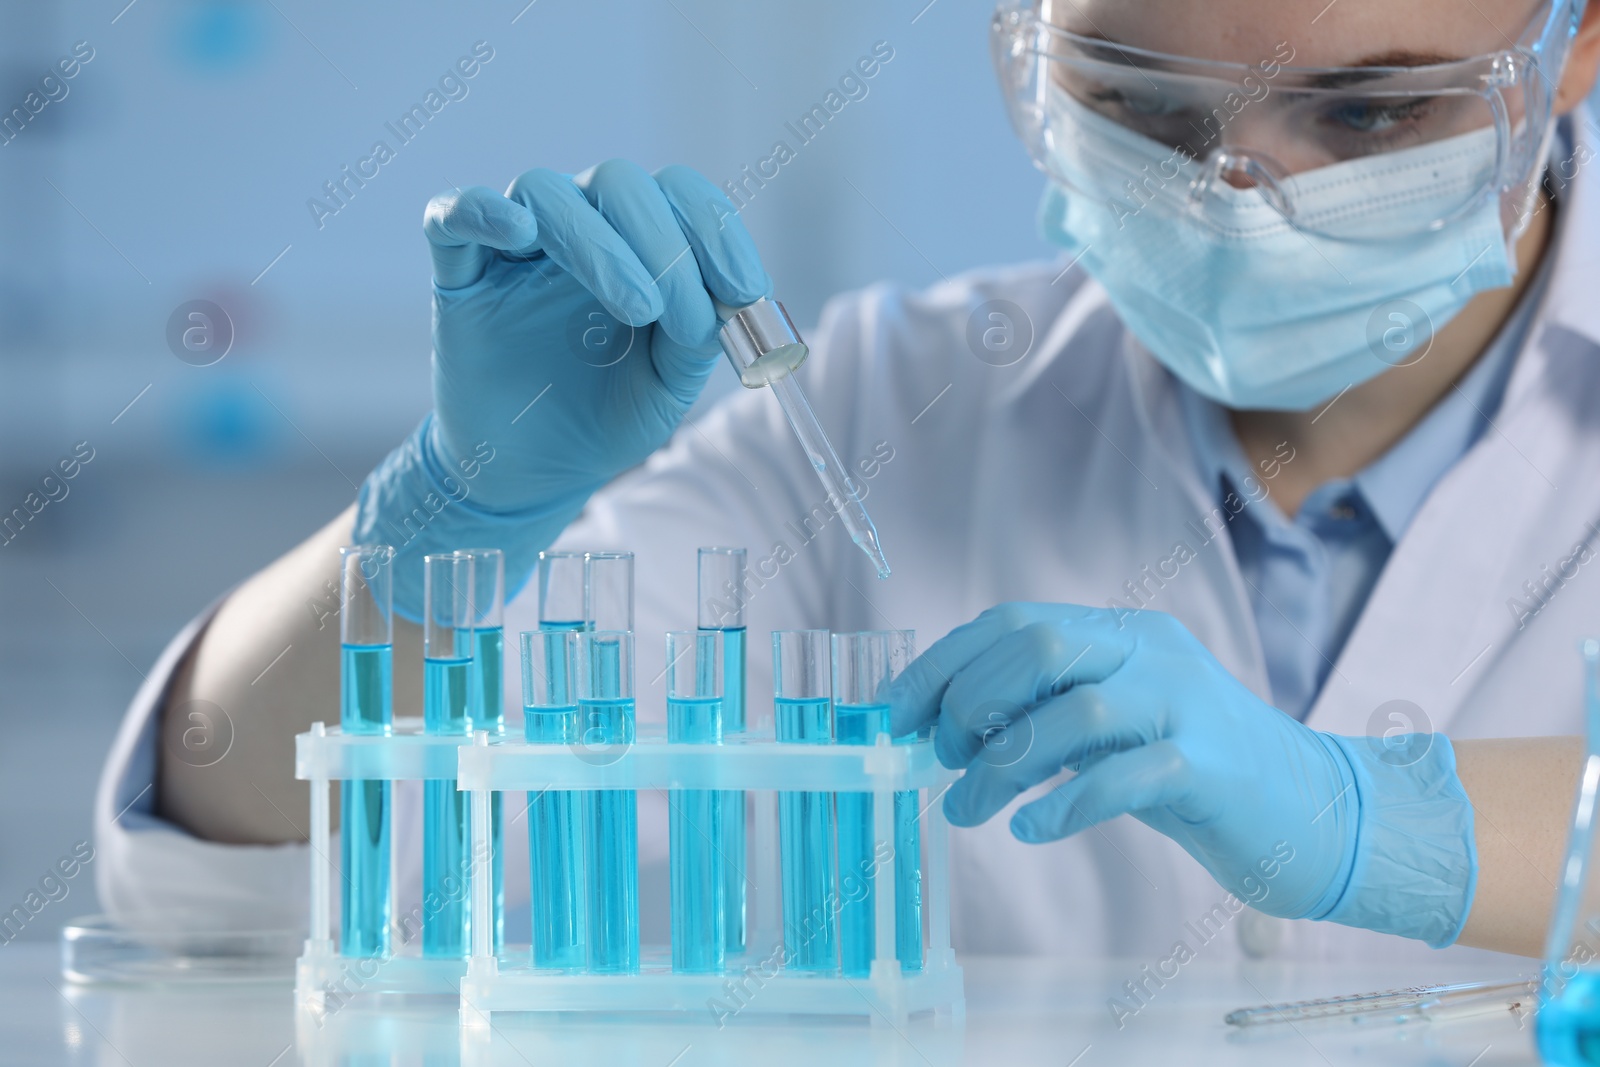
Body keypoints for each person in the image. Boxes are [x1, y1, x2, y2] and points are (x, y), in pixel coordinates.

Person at [98, 0, 1600, 966]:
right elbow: (221, 875)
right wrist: (456, 508)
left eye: (1367, 117)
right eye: (1143, 106)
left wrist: (1361, 819)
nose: (1238, 199)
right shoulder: (887, 408)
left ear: (1575, 40)